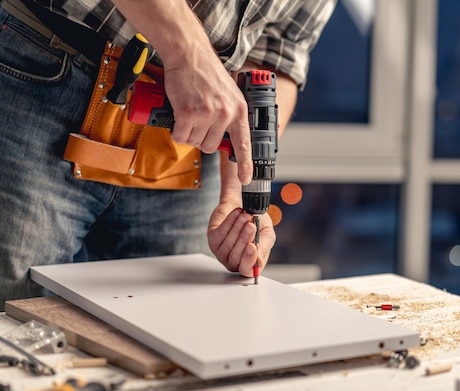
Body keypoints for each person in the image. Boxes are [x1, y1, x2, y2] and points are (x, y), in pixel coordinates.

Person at [0, 0, 336, 311]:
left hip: (188, 134)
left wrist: (239, 191)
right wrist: (189, 54)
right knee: (17, 321)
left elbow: (278, 53)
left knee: (182, 327)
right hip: (44, 66)